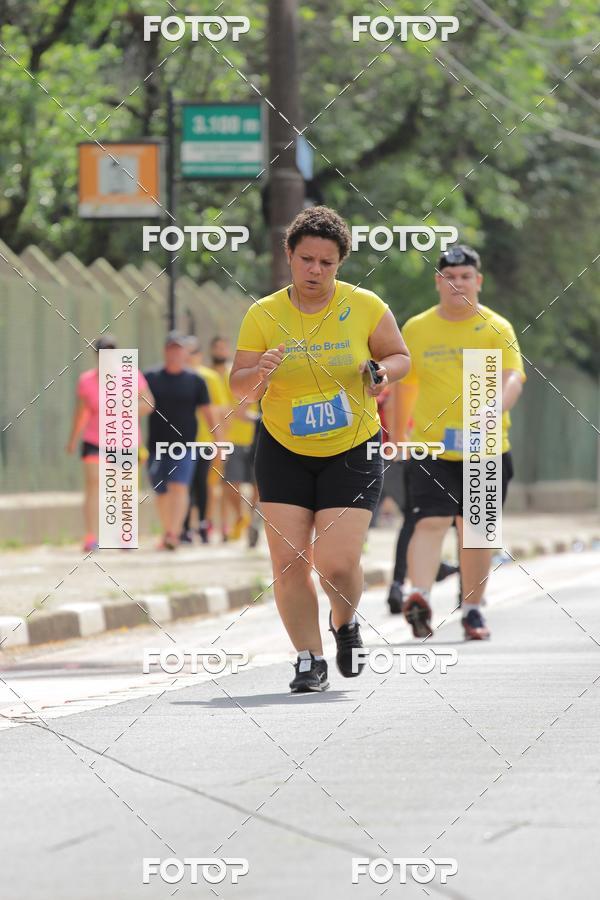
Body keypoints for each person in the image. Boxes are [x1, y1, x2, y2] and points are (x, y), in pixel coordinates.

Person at [229, 206, 410, 693]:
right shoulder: (263, 314)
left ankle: (345, 622)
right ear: (289, 255)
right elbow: (238, 387)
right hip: (284, 448)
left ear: (340, 264)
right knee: (288, 564)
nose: (315, 271)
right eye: (306, 259)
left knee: (337, 562)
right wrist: (260, 372)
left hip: (352, 447)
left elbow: (399, 356)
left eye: (326, 263)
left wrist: (381, 372)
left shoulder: (366, 305)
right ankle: (308, 659)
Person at [396, 244, 525, 640]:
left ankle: (471, 609)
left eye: (466, 277)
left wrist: (494, 408)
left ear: (478, 281)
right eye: (450, 278)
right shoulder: (417, 327)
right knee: (430, 520)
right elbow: (406, 385)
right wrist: (398, 433)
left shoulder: (494, 327)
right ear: (439, 282)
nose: (458, 284)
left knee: (475, 531)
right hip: (431, 445)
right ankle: (418, 595)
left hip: (483, 445)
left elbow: (512, 377)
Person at [66, 335, 153, 551]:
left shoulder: (131, 376)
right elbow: (81, 412)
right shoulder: (86, 380)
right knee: (94, 483)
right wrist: (73, 439)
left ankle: (125, 534)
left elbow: (148, 404)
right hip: (94, 439)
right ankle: (90, 536)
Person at [144, 332, 217, 550]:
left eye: (179, 349)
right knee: (161, 490)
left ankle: (173, 534)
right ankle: (168, 530)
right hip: (156, 444)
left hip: (184, 445)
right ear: (165, 351)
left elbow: (207, 412)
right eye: (171, 349)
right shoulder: (150, 377)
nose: (175, 353)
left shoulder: (196, 380)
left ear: (185, 353)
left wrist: (218, 441)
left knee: (180, 487)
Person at [210, 335, 259, 542]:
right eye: (217, 348)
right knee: (231, 482)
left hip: (254, 437)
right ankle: (241, 516)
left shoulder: (252, 375)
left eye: (223, 347)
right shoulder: (219, 376)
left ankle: (253, 518)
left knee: (257, 483)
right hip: (232, 438)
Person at [181, 337, 228, 543]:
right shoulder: (179, 376)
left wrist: (220, 440)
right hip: (182, 440)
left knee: (202, 484)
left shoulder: (209, 377)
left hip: (205, 440)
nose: (188, 357)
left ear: (199, 355)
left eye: (192, 352)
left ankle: (203, 524)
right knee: (184, 485)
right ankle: (184, 528)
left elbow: (219, 409)